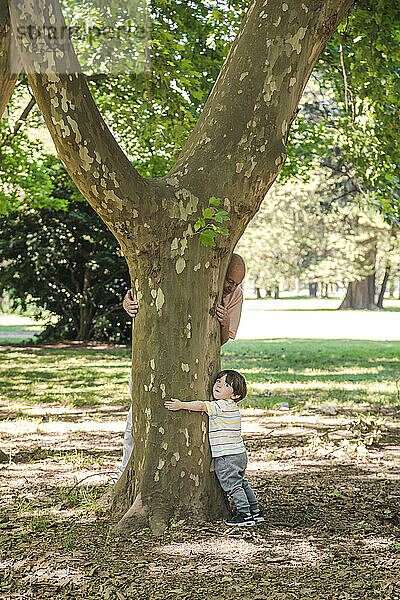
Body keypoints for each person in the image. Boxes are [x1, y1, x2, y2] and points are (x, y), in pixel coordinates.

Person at [116, 253, 246, 479]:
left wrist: (224, 324)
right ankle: (126, 474)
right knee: (136, 420)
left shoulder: (235, 296)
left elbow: (223, 339)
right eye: (229, 280)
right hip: (154, 360)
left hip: (200, 368)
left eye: (236, 284)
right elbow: (141, 294)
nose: (230, 287)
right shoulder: (189, 273)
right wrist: (127, 301)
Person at [164, 369, 265, 527]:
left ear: (235, 395)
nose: (218, 385)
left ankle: (245, 514)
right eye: (218, 381)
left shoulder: (221, 406)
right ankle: (255, 511)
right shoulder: (232, 408)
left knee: (233, 485)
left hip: (227, 456)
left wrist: (181, 405)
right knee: (242, 482)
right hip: (239, 454)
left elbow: (201, 406)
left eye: (226, 385)